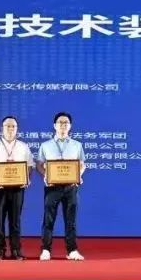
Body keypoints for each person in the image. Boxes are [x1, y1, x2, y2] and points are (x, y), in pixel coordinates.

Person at [36, 111, 86, 261]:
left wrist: (78, 176)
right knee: (48, 219)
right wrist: (45, 175)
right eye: (60, 122)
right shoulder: (45, 145)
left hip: (71, 187)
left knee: (71, 220)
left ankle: (72, 250)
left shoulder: (77, 145)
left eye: (66, 123)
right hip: (52, 187)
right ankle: (46, 249)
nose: (63, 125)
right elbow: (39, 165)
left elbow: (82, 164)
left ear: (70, 126)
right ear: (54, 125)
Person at [0, 115, 33, 260]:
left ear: (17, 129)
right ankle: (0, 250)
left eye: (13, 126)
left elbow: (30, 166)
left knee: (15, 220)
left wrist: (26, 178)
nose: (10, 129)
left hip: (17, 188)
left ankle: (16, 250)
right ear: (1, 129)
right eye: (7, 126)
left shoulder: (23, 146)